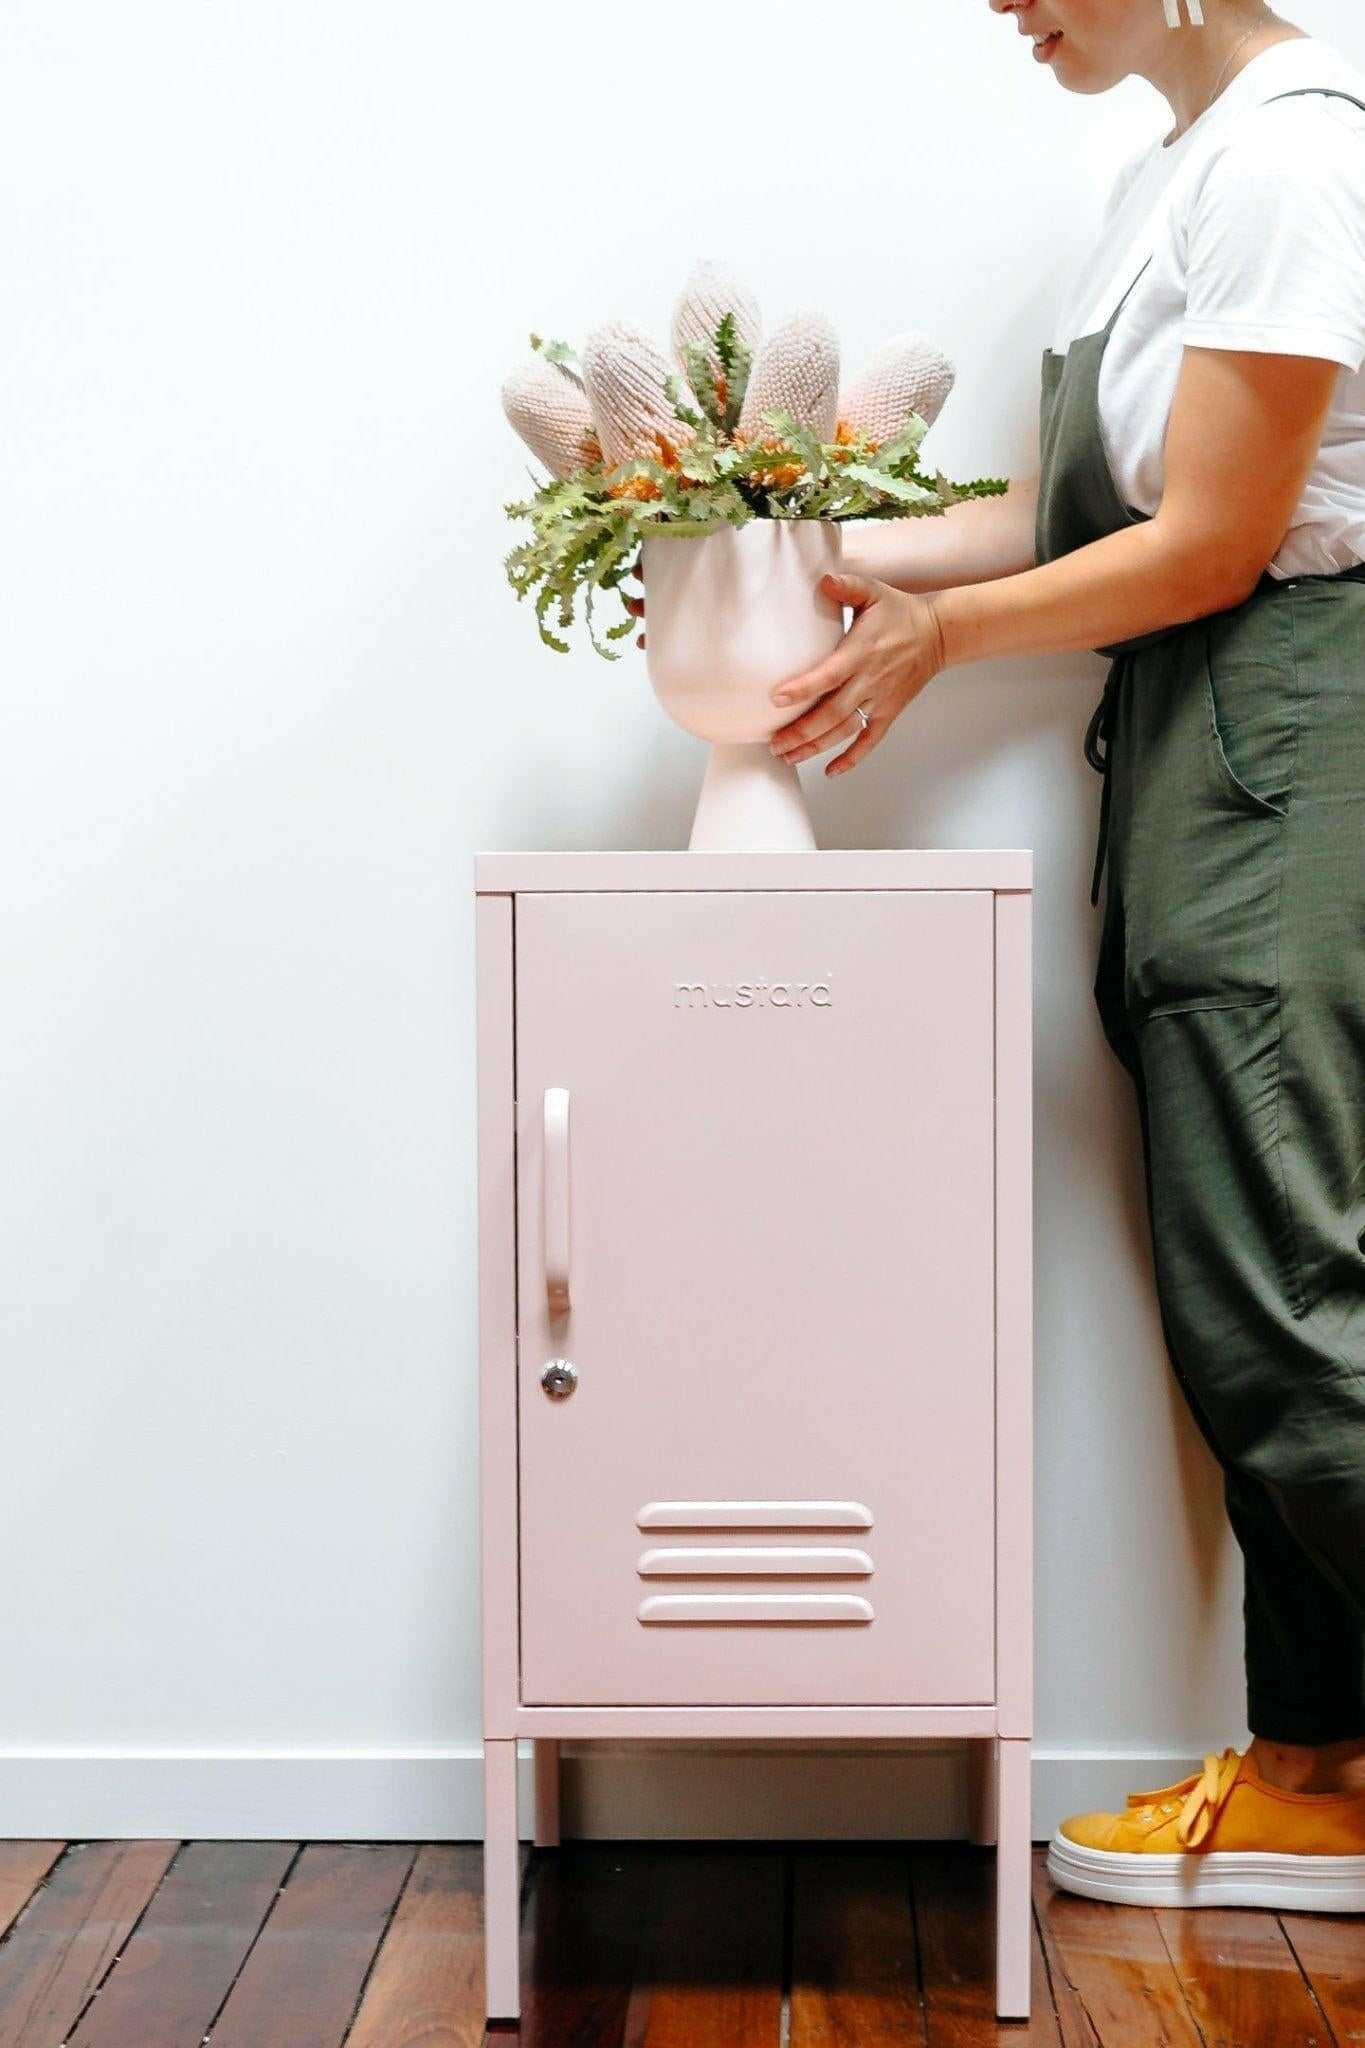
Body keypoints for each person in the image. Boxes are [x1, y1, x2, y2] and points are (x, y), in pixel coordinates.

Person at [629, 0, 1365, 1912]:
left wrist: (940, 643)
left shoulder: (1296, 155)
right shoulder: (1172, 176)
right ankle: (1322, 1772)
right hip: (1206, 740)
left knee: (1292, 1300)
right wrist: (773, 549)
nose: (998, 2)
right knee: (1241, 1292)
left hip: (1290, 726)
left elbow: (1212, 541)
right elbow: (1073, 512)